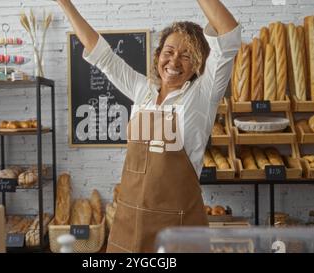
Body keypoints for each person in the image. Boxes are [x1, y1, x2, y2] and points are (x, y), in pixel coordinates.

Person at [54, 0, 241, 253]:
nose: (174, 61)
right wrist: (64, 3)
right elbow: (101, 54)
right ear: (158, 55)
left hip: (177, 226)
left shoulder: (203, 95)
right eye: (169, 51)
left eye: (186, 55)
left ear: (197, 64)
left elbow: (229, 35)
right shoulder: (142, 90)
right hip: (130, 220)